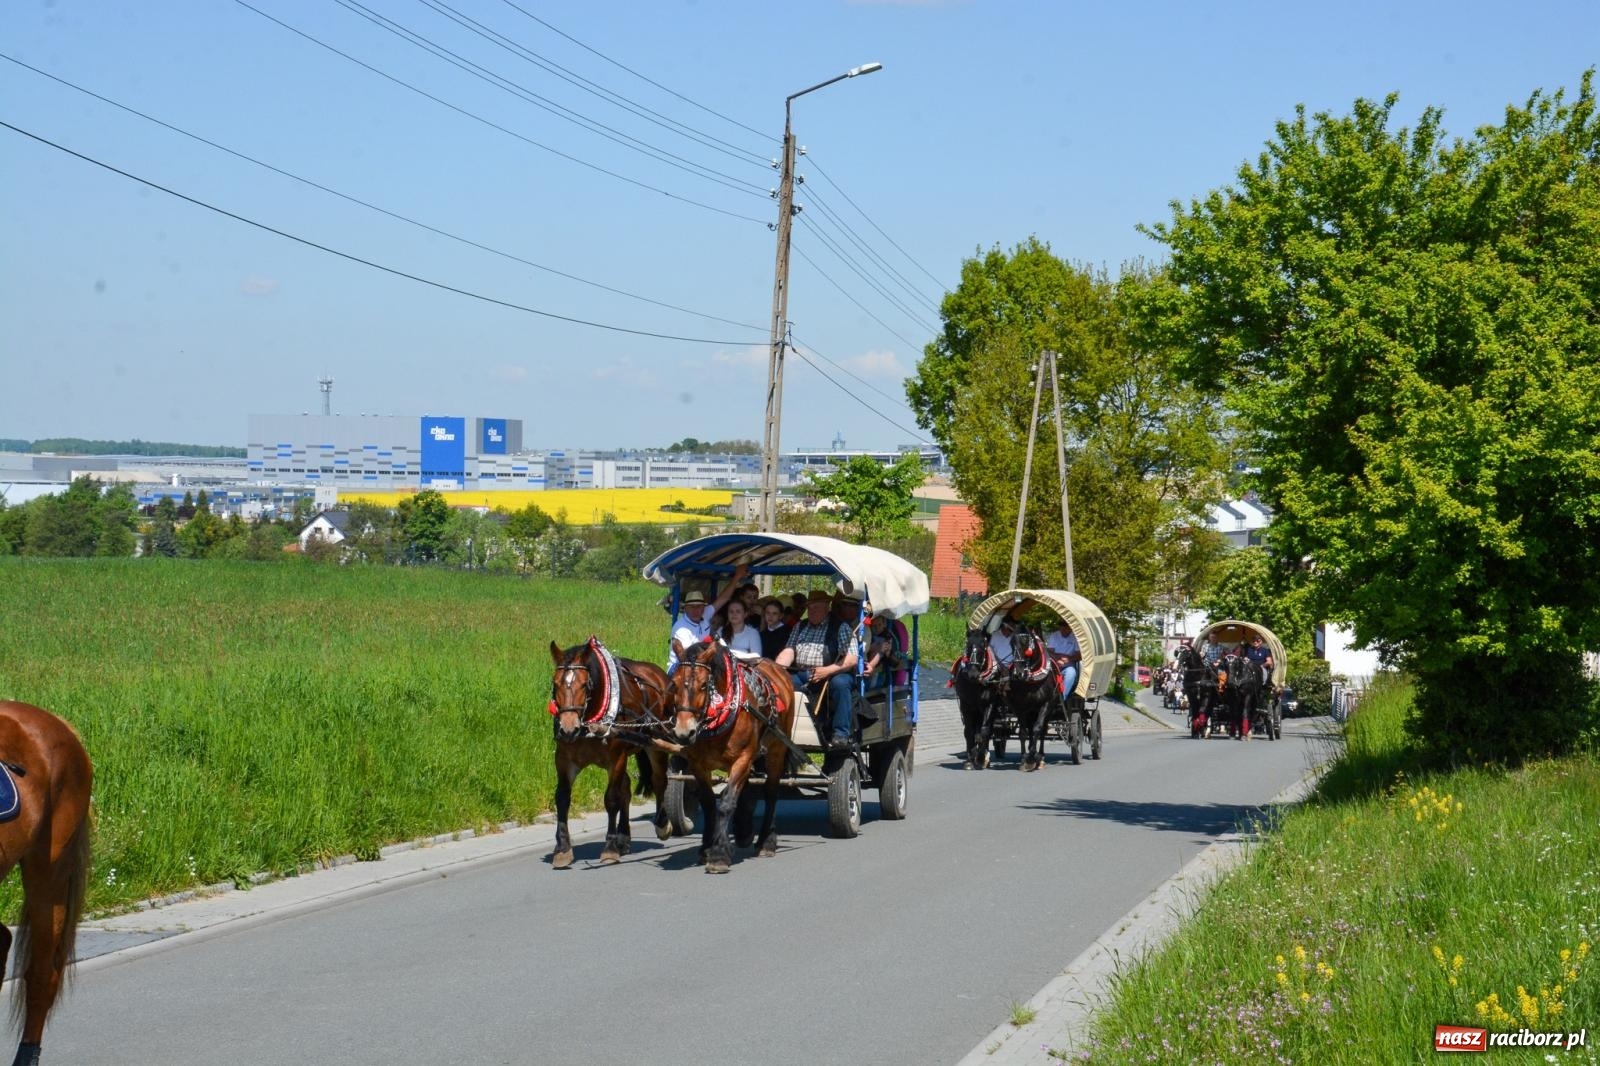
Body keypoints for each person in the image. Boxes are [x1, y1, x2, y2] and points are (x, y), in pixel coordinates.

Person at [775, 589, 858, 749]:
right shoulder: (801, 626)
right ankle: (783, 729)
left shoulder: (840, 627)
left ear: (827, 608)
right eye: (810, 608)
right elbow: (790, 650)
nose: (812, 611)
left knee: (841, 684)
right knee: (782, 685)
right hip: (803, 672)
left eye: (816, 608)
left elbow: (852, 659)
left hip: (832, 673)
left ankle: (841, 733)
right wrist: (778, 668)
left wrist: (827, 671)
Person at [668, 563, 748, 668]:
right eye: (692, 607)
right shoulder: (681, 628)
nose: (696, 610)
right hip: (681, 666)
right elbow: (690, 655)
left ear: (703, 607)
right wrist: (713, 646)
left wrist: (737, 577)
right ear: (685, 608)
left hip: (701, 665)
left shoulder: (704, 614)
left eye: (699, 606)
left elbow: (723, 598)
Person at [862, 610, 904, 692]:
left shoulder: (887, 636)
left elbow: (893, 660)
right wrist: (871, 648)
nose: (877, 628)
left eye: (879, 625)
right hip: (870, 666)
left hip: (879, 672)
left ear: (884, 624)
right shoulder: (868, 635)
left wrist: (888, 653)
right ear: (870, 626)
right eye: (874, 626)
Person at [1045, 618, 1082, 698]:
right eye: (1062, 627)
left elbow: (1079, 655)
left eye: (1066, 627)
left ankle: (1061, 698)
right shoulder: (1054, 635)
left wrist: (1069, 659)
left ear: (1070, 628)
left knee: (1071, 673)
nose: (1063, 629)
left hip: (1068, 665)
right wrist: (1059, 658)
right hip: (1054, 664)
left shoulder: (1075, 637)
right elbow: (1049, 652)